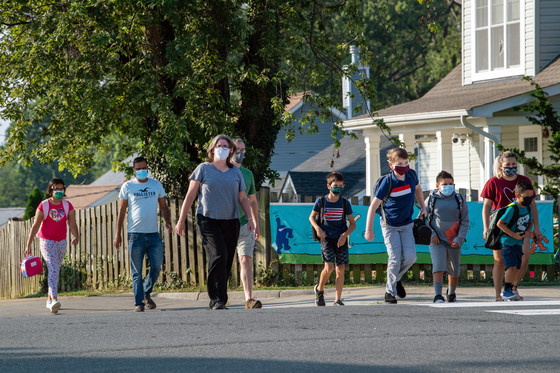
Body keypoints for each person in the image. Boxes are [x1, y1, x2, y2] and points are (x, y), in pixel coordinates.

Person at [175, 134, 255, 310]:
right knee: (218, 255)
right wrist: (181, 219)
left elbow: (243, 198)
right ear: (212, 149)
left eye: (226, 146)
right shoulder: (203, 168)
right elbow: (190, 195)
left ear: (230, 151)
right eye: (219, 146)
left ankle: (221, 298)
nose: (223, 148)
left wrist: (250, 219)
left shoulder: (236, 172)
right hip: (208, 220)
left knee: (226, 261)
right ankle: (215, 299)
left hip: (231, 220)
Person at [364, 147, 426, 304]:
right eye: (399, 163)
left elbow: (418, 189)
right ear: (390, 165)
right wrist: (368, 230)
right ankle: (389, 292)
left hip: (406, 224)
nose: (404, 166)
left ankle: (396, 279)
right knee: (395, 258)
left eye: (406, 162)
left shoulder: (411, 175)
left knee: (411, 257)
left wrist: (423, 206)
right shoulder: (387, 182)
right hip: (389, 225)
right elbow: (373, 206)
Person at [481, 151, 542, 301]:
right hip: (501, 227)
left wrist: (536, 228)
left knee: (523, 257)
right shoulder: (493, 182)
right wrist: (486, 227)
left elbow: (532, 205)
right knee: (500, 260)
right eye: (507, 164)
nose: (511, 167)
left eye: (514, 164)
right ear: (501, 165)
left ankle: (512, 289)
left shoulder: (524, 181)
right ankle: (498, 294)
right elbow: (486, 206)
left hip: (521, 225)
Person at [113, 156, 172, 312]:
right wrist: (117, 234)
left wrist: (167, 222)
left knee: (157, 266)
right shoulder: (128, 187)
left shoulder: (156, 184)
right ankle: (139, 303)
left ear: (148, 169)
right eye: (138, 169)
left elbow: (164, 206)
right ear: (134, 170)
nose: (141, 171)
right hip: (135, 235)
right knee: (136, 271)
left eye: (144, 168)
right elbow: (121, 211)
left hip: (153, 235)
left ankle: (146, 292)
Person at [25, 178, 79, 314]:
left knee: (56, 268)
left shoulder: (67, 206)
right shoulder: (44, 205)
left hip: (61, 241)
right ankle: (54, 299)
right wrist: (28, 244)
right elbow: (35, 225)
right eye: (57, 189)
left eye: (62, 189)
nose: (59, 191)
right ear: (51, 190)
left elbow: (72, 223)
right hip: (46, 241)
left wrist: (75, 236)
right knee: (53, 267)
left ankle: (49, 300)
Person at [309, 172, 356, 306]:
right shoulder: (321, 201)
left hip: (340, 239)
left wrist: (344, 235)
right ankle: (319, 289)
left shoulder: (345, 203)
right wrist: (318, 228)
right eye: (336, 186)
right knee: (329, 268)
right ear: (329, 186)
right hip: (326, 238)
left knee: (340, 270)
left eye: (341, 186)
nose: (339, 188)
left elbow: (353, 224)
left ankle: (337, 299)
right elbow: (311, 217)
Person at [425, 171, 469, 303]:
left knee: (454, 269)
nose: (448, 186)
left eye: (451, 184)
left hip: (454, 240)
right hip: (437, 240)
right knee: (438, 266)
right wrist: (432, 234)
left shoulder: (459, 199)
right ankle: (438, 295)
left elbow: (465, 221)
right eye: (445, 184)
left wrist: (459, 238)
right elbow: (424, 219)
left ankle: (451, 293)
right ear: (437, 186)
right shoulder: (431, 199)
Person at [231, 138, 262, 309]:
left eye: (243, 149)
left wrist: (256, 223)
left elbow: (253, 201)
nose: (240, 153)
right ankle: (220, 297)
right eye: (237, 149)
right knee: (224, 260)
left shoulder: (248, 174)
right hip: (225, 222)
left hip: (245, 222)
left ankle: (249, 298)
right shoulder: (222, 171)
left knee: (245, 259)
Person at [496, 180, 534, 300]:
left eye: (531, 196)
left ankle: (512, 288)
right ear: (517, 195)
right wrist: (513, 234)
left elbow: (530, 222)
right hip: (508, 242)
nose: (529, 199)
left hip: (519, 242)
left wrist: (527, 231)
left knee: (517, 266)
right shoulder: (512, 209)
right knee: (511, 266)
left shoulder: (527, 208)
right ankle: (507, 290)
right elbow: (500, 224)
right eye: (526, 197)